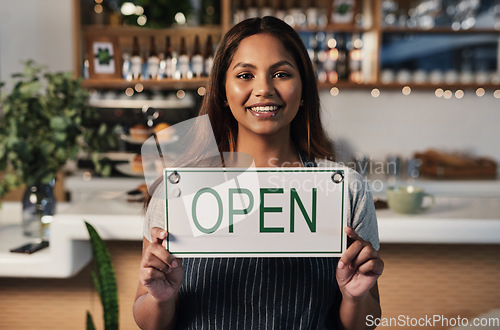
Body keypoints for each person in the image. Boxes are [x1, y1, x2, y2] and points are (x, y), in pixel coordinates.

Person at [133, 16, 383, 329]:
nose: (263, 89)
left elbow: (367, 321)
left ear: (303, 88)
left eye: (281, 73)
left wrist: (355, 297)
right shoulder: (178, 190)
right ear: (223, 90)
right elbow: (147, 320)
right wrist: (160, 297)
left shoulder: (347, 189)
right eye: (245, 74)